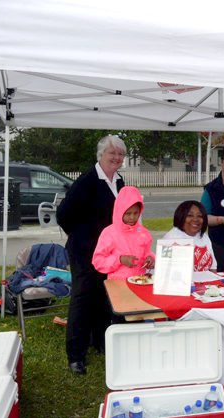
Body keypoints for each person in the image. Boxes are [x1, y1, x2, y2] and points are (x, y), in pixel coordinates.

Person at [57, 134, 126, 375]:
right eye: (112, 153)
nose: (116, 158)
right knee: (82, 299)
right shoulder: (87, 180)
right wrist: (84, 237)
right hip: (84, 251)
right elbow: (63, 215)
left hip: (109, 252)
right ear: (101, 155)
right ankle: (76, 354)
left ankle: (100, 342)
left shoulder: (119, 181)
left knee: (103, 297)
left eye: (120, 154)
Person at [92, 186, 155, 279]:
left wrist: (150, 258)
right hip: (117, 284)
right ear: (119, 211)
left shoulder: (143, 232)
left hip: (140, 281)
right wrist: (120, 260)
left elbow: (147, 252)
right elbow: (98, 261)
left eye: (136, 213)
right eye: (128, 213)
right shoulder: (109, 233)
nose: (132, 217)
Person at [163, 200, 217, 271]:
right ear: (180, 216)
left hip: (206, 281)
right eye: (190, 215)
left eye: (199, 216)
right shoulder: (169, 239)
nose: (195, 219)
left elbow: (213, 267)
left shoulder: (204, 237)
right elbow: (163, 268)